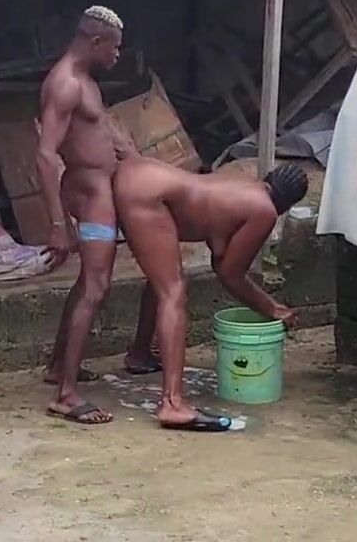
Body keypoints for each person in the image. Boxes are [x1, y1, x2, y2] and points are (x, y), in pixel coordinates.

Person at [112, 156, 309, 432]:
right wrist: (273, 309)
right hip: (148, 192)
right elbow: (231, 275)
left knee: (159, 279)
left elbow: (219, 252)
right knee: (174, 292)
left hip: (134, 172)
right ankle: (172, 403)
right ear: (288, 205)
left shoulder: (242, 187)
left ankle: (139, 354)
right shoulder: (264, 211)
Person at [37, 5, 162, 426]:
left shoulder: (85, 80)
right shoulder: (66, 84)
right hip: (90, 197)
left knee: (89, 283)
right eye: (115, 48)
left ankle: (59, 366)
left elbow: (98, 133)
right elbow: (45, 156)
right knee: (96, 286)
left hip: (100, 191)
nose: (117, 55)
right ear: (95, 42)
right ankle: (66, 395)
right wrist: (58, 225)